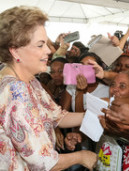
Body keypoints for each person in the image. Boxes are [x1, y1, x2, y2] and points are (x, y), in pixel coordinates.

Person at [0, 6, 97, 170]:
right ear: (15, 51)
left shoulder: (29, 80)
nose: (48, 51)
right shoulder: (15, 91)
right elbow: (43, 161)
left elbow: (56, 115)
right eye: (40, 45)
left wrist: (98, 116)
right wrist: (82, 156)